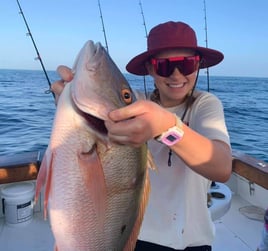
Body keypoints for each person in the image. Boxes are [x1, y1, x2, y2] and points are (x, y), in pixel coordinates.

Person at [52, 21, 232, 251]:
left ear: (198, 65)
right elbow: (97, 118)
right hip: (132, 235)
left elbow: (222, 167)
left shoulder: (205, 105)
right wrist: (66, 101)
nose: (177, 75)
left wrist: (165, 128)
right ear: (150, 68)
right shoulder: (134, 103)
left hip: (190, 242)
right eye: (164, 66)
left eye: (187, 64)